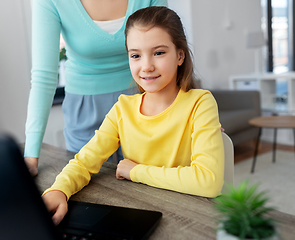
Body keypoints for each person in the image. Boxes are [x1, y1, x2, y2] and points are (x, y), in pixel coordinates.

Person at [41, 6, 225, 225]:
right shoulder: (123, 109)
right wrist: (59, 190)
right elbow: (84, 162)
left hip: (188, 217)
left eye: (159, 52)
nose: (146, 66)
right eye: (135, 55)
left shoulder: (200, 103)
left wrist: (136, 171)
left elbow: (208, 182)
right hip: (139, 213)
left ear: (180, 55)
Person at [24, 0, 168, 176]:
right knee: (87, 186)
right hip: (85, 108)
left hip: (144, 100)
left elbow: (167, 52)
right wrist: (31, 155)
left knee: (149, 184)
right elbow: (43, 77)